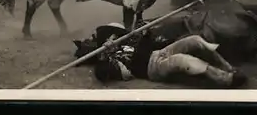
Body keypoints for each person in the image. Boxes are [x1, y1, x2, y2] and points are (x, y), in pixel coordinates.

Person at [94, 25, 248, 88]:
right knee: (182, 60)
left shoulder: (126, 42)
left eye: (113, 37)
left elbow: (148, 46)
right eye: (109, 40)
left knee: (194, 40)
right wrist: (103, 55)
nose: (112, 40)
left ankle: (229, 67)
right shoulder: (107, 60)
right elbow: (102, 74)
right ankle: (225, 79)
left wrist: (147, 36)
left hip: (159, 53)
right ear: (104, 44)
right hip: (152, 69)